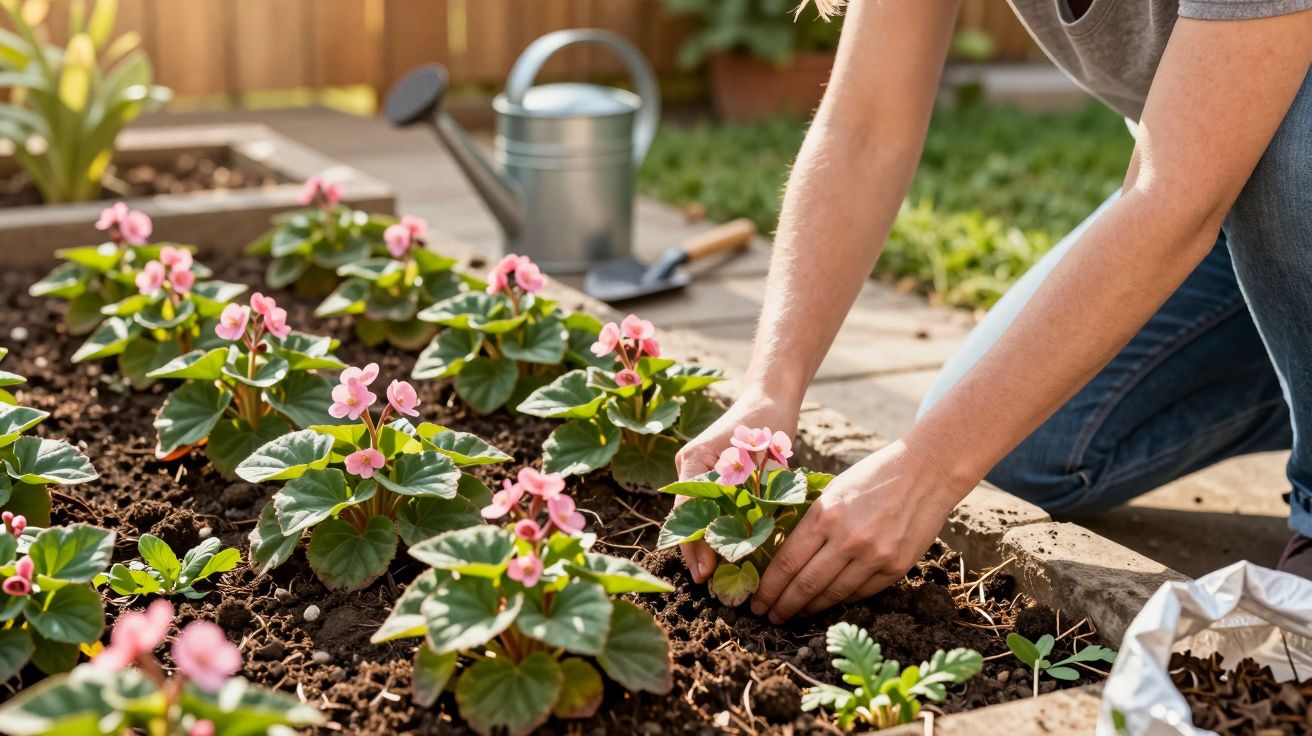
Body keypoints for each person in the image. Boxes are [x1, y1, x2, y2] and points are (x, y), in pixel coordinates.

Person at [674, 0, 1312, 624]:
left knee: (1290, 152)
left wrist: (927, 470)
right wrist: (770, 390)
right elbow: (863, 130)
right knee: (1016, 449)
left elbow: (1173, 197)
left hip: (1248, 179)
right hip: (1220, 185)